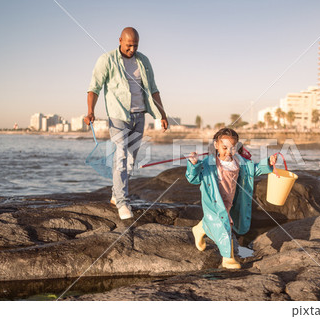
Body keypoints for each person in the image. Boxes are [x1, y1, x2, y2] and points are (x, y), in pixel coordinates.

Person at [84, 27, 169, 220]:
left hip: (140, 116)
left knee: (130, 161)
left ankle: (116, 195)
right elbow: (94, 87)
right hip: (118, 116)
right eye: (129, 45)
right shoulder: (107, 60)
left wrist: (162, 114)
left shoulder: (143, 61)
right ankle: (123, 202)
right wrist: (90, 111)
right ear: (120, 40)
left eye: (135, 45)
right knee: (121, 156)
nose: (132, 49)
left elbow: (154, 89)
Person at [186, 128, 277, 269]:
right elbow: (194, 178)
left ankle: (200, 228)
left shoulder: (240, 162)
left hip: (229, 199)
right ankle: (228, 258)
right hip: (214, 201)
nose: (228, 151)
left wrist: (269, 163)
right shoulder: (207, 163)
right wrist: (193, 165)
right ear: (216, 145)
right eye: (224, 147)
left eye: (232, 148)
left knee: (223, 220)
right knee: (224, 225)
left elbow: (255, 170)